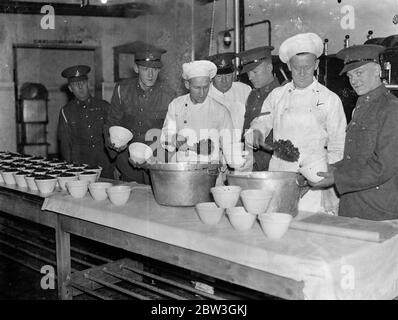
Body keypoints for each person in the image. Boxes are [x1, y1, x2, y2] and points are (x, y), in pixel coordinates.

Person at [246, 33, 347, 214]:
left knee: (310, 229)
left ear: (316, 65)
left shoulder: (330, 99)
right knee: (277, 224)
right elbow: (262, 120)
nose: (301, 73)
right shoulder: (277, 95)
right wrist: (256, 132)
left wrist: (329, 182)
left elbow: (338, 144)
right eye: (296, 67)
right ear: (288, 66)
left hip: (315, 177)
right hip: (280, 175)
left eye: (307, 67)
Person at [312, 44, 398, 220]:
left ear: (377, 71)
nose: (354, 80)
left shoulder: (391, 109)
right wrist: (332, 168)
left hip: (378, 210)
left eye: (359, 73)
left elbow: (383, 167)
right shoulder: (361, 105)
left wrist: (337, 178)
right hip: (353, 205)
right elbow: (357, 157)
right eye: (351, 75)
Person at [104, 46, 176, 184]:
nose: (150, 75)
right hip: (127, 163)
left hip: (155, 162)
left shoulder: (168, 95)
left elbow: (172, 133)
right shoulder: (122, 90)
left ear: (159, 70)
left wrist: (161, 160)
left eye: (154, 69)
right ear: (136, 69)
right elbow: (112, 122)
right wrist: (113, 145)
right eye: (145, 69)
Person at [161, 60, 239, 170]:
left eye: (206, 87)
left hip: (211, 173)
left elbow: (230, 148)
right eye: (197, 88)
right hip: (182, 171)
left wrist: (237, 164)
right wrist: (175, 139)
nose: (202, 93)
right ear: (187, 84)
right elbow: (165, 136)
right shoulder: (176, 105)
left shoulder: (220, 110)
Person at [57, 65, 114, 178]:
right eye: (75, 84)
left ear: (88, 83)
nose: (80, 87)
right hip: (80, 166)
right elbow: (65, 144)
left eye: (82, 82)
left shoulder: (104, 106)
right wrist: (70, 169)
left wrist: (115, 165)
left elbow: (115, 137)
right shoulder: (66, 111)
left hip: (105, 164)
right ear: (70, 88)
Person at [237, 46, 280, 171]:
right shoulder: (252, 95)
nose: (250, 77)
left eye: (255, 72)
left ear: (269, 68)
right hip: (248, 163)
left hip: (271, 166)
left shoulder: (282, 95)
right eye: (249, 73)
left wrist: (258, 159)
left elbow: (284, 138)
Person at [207, 52, 251, 140]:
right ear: (212, 77)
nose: (224, 81)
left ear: (233, 75)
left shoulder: (244, 90)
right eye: (219, 76)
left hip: (241, 146)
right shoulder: (205, 94)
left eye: (227, 75)